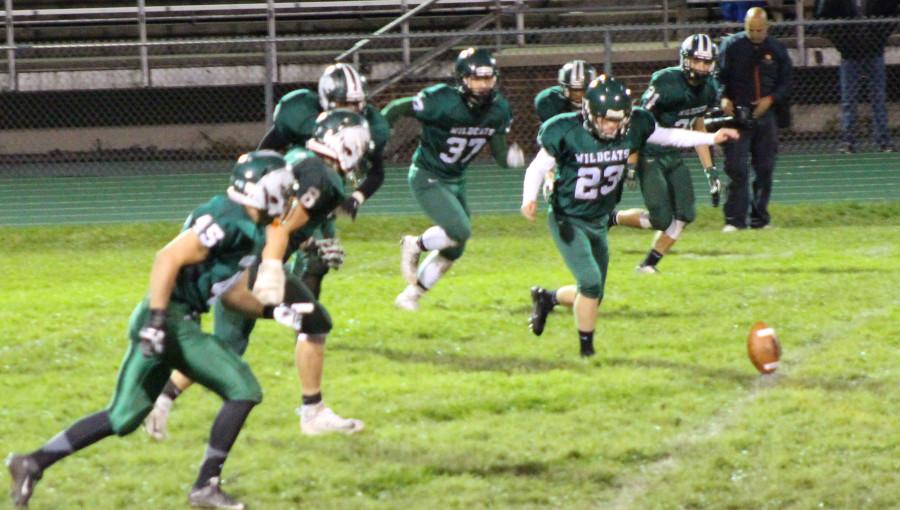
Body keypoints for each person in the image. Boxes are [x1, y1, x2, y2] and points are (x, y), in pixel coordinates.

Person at [6, 151, 301, 509]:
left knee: (122, 417)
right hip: (172, 318)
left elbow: (235, 295)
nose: (287, 199)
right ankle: (205, 486)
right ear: (264, 189)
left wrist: (273, 312)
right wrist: (159, 321)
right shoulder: (228, 218)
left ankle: (32, 462)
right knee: (244, 388)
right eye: (283, 190)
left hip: (166, 316)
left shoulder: (250, 227)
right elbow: (168, 257)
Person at [143, 110, 372, 443]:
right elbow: (281, 224)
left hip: (238, 257)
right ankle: (313, 412)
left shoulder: (299, 157)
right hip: (254, 260)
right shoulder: (322, 177)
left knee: (227, 347)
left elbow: (282, 219)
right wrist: (272, 268)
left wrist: (310, 243)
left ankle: (160, 402)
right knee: (314, 322)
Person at [521, 76, 739, 355]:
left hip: (599, 218)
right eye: (607, 120)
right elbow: (538, 168)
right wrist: (528, 199)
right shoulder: (565, 130)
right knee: (590, 283)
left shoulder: (634, 124)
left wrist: (711, 137)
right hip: (567, 218)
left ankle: (547, 298)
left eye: (619, 120)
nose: (613, 126)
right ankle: (588, 356)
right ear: (589, 113)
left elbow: (668, 135)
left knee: (593, 294)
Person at [382, 47, 526, 311]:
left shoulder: (497, 110)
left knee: (455, 248)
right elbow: (395, 108)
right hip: (427, 175)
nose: (484, 85)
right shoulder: (441, 101)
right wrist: (379, 135)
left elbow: (499, 153)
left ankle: (411, 296)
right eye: (477, 79)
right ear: (462, 79)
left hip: (456, 180)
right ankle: (415, 244)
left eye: (488, 78)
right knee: (460, 231)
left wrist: (510, 159)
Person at [258, 62, 391, 297]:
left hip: (329, 194)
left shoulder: (368, 125)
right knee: (298, 248)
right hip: (298, 190)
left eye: (354, 103)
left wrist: (356, 198)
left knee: (318, 264)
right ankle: (271, 295)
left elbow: (377, 171)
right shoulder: (299, 112)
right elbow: (266, 151)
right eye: (343, 104)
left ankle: (303, 321)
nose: (350, 110)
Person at [611, 34, 723, 273]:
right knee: (660, 219)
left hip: (673, 154)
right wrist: (631, 162)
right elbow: (637, 122)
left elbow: (698, 126)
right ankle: (612, 218)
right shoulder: (665, 82)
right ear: (685, 60)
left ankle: (648, 265)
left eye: (707, 62)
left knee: (685, 214)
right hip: (649, 152)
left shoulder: (709, 89)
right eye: (697, 61)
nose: (702, 67)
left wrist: (710, 169)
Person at [717, 7, 792, 231]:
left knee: (765, 168)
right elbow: (717, 77)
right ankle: (734, 220)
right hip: (736, 117)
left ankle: (760, 219)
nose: (755, 34)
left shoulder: (777, 50)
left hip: (765, 117)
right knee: (736, 168)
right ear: (744, 26)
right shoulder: (731, 46)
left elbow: (786, 82)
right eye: (751, 30)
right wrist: (722, 98)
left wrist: (770, 100)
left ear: (767, 28)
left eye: (760, 30)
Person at [815, 0, 898, 153]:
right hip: (849, 53)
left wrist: (880, 37)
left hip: (874, 51)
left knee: (878, 99)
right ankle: (848, 141)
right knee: (849, 100)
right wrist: (841, 41)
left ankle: (884, 140)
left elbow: (891, 13)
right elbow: (823, 17)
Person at [534, 60, 598, 123]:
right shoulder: (550, 100)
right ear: (565, 88)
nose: (578, 94)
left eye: (582, 90)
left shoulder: (599, 99)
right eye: (574, 90)